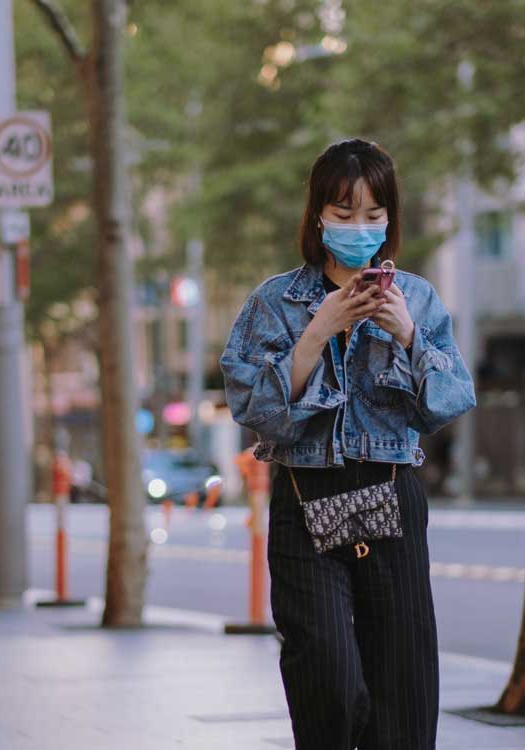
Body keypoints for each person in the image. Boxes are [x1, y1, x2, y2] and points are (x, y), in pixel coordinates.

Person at [221, 139, 476, 749]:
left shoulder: (415, 298)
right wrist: (317, 332)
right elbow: (253, 409)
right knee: (328, 682)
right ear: (317, 217)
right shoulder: (275, 301)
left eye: (373, 214)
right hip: (306, 500)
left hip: (389, 493)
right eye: (343, 214)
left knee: (405, 696)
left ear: (390, 219)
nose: (359, 227)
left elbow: (451, 400)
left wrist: (410, 337)